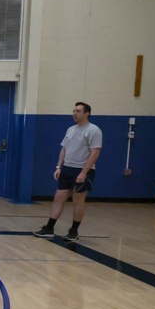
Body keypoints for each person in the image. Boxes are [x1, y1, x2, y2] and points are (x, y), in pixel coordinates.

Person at [33, 102, 102, 242]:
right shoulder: (71, 129)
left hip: (82, 169)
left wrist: (84, 172)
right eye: (73, 110)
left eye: (78, 111)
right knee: (58, 199)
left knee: (78, 200)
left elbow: (95, 153)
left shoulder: (94, 130)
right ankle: (49, 228)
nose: (74, 113)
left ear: (86, 113)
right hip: (67, 169)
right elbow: (64, 149)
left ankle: (74, 230)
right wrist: (59, 167)